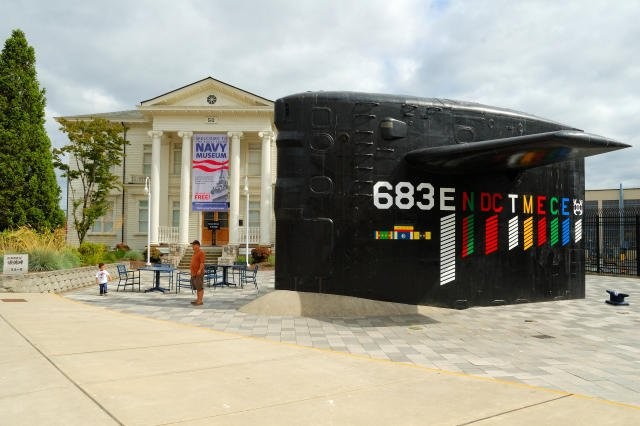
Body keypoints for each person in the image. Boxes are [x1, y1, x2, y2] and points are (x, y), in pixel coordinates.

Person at [190, 240, 206, 305]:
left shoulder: (201, 252)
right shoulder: (195, 253)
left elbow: (202, 263)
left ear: (197, 245)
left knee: (199, 287)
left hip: (198, 273)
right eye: (192, 245)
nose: (192, 247)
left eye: (193, 245)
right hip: (194, 273)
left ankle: (200, 301)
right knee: (197, 287)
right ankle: (198, 299)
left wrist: (199, 270)